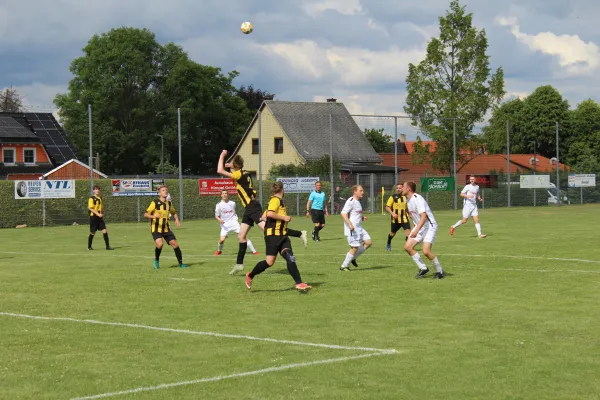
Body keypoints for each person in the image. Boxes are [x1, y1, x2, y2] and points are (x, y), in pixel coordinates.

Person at [217, 150, 307, 275]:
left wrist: (222, 156)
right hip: (249, 208)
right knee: (241, 236)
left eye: (232, 164)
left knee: (269, 229)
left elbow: (219, 170)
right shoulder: (244, 173)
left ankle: (299, 233)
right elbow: (238, 175)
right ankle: (239, 264)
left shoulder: (237, 174)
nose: (230, 164)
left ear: (236, 166)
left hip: (252, 207)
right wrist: (231, 166)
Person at [245, 181, 312, 292]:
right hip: (272, 236)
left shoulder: (277, 201)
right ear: (282, 190)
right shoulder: (275, 200)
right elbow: (270, 213)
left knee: (290, 257)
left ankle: (299, 283)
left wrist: (270, 218)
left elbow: (264, 216)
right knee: (269, 262)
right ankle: (250, 275)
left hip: (282, 235)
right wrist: (283, 218)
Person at [402, 181, 444, 279]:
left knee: (426, 251)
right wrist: (413, 230)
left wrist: (416, 231)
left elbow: (424, 216)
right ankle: (423, 268)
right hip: (419, 226)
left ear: (408, 189)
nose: (401, 188)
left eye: (403, 187)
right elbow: (415, 218)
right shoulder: (408, 201)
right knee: (408, 247)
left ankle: (439, 271)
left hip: (429, 226)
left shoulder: (418, 198)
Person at [143, 185, 187, 269]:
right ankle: (156, 261)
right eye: (163, 190)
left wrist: (177, 219)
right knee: (160, 244)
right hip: (156, 228)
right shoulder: (154, 202)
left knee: (175, 244)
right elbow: (145, 214)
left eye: (166, 190)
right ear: (159, 193)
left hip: (166, 229)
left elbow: (174, 212)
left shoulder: (169, 203)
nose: (165, 191)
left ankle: (181, 264)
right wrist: (153, 216)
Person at [214, 189, 259, 256]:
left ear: (228, 195)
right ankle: (219, 251)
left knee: (242, 237)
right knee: (221, 240)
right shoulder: (219, 205)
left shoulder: (232, 203)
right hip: (225, 225)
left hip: (234, 223)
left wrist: (235, 221)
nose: (224, 194)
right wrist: (220, 220)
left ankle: (254, 251)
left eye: (226, 193)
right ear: (221, 195)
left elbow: (234, 213)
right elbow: (216, 216)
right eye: (223, 193)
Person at [339, 185, 372, 271]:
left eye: (362, 190)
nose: (362, 192)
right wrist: (350, 224)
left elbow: (354, 214)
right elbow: (343, 213)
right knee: (354, 248)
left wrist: (361, 217)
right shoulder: (351, 201)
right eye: (360, 190)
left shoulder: (357, 201)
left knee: (368, 242)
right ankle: (344, 266)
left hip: (359, 227)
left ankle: (353, 258)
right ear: (355, 192)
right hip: (352, 229)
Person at [384, 183, 411, 251]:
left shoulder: (406, 197)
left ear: (403, 188)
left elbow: (407, 207)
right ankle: (388, 242)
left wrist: (409, 214)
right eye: (397, 188)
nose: (398, 189)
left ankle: (408, 247)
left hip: (404, 218)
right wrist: (392, 213)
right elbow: (387, 207)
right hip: (395, 219)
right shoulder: (393, 197)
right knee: (392, 234)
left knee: (408, 233)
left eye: (400, 188)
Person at [87, 185, 113, 251]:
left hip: (100, 218)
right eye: (96, 189)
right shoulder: (91, 198)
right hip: (94, 217)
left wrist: (101, 213)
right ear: (93, 191)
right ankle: (89, 247)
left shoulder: (100, 198)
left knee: (104, 231)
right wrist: (98, 214)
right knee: (92, 232)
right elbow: (90, 208)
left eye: (98, 189)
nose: (97, 190)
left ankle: (107, 246)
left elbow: (101, 207)